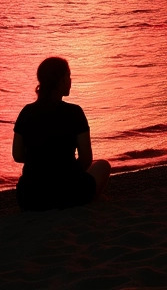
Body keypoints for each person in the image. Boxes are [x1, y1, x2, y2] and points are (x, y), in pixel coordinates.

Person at [12, 57, 111, 210]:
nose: (70, 81)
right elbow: (86, 159)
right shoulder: (75, 112)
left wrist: (42, 157)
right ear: (61, 80)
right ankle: (92, 198)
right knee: (103, 165)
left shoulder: (26, 112)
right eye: (68, 76)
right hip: (67, 193)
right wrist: (64, 170)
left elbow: (17, 155)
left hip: (29, 198)